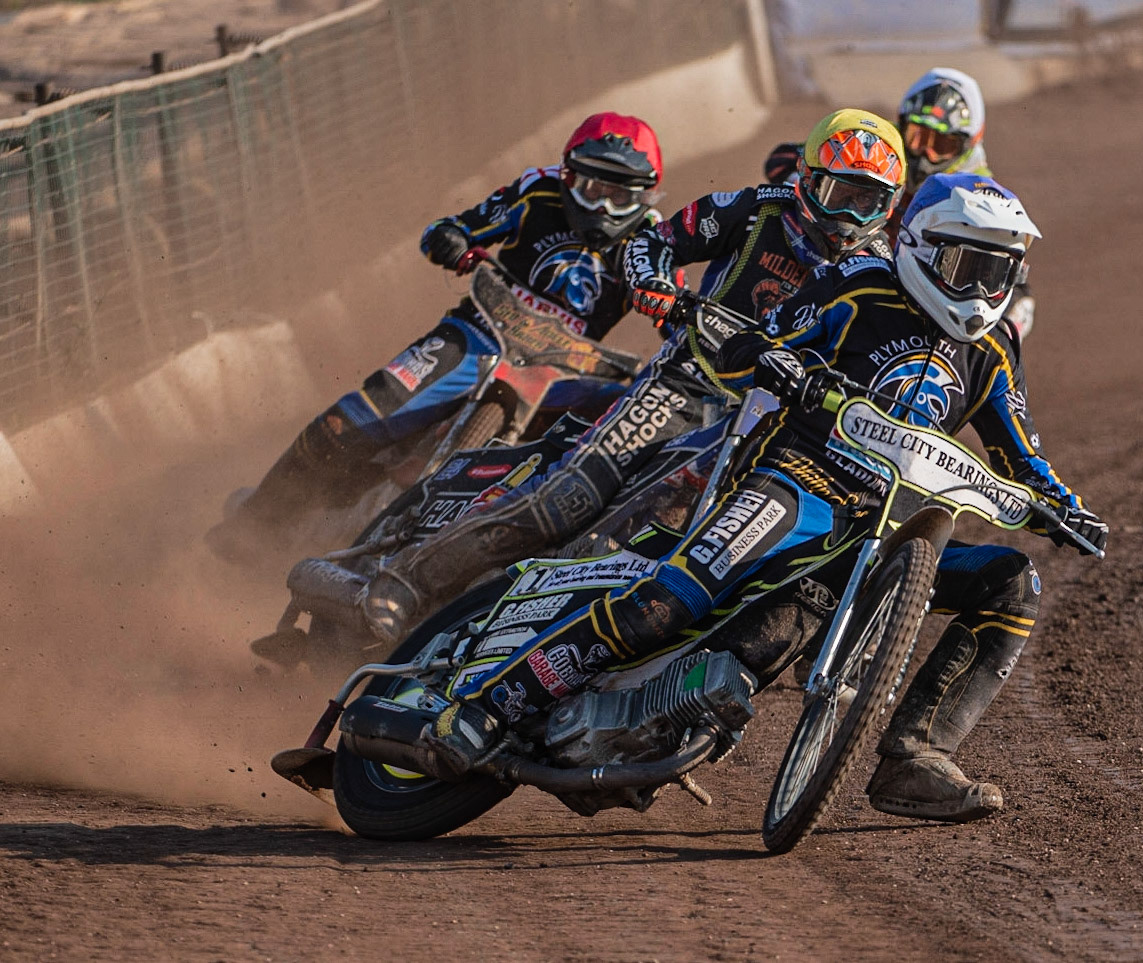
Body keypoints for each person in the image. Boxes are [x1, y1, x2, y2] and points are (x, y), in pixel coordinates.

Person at [410, 171, 1107, 823]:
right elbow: (755, 341)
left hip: (876, 536)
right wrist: (778, 357)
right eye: (971, 267)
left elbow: (1023, 455)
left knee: (1012, 584)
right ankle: (490, 703)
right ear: (922, 249)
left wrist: (1064, 507)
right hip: (791, 483)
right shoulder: (854, 285)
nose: (984, 289)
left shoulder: (988, 355)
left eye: (1000, 272)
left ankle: (915, 756)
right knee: (669, 604)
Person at [356, 108, 909, 644]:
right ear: (808, 180)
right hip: (688, 384)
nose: (849, 219)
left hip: (778, 428)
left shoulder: (884, 275)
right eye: (841, 196)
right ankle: (406, 579)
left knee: (703, 556)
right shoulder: (755, 208)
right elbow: (654, 241)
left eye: (869, 202)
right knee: (569, 500)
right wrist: (659, 290)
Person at [205, 112, 665, 563]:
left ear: (644, 197)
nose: (602, 207)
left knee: (619, 447)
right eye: (591, 189)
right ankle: (255, 525)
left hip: (567, 371)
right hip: (480, 334)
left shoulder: (655, 242)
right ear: (568, 176)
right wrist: (453, 242)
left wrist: (686, 333)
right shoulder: (537, 192)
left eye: (618, 196)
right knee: (349, 421)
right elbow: (450, 228)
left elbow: (678, 316)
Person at [763, 67, 1037, 338]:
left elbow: (1003, 270)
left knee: (1014, 304)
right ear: (902, 125)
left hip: (924, 300)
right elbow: (783, 159)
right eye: (918, 138)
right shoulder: (881, 151)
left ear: (968, 146)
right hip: (841, 264)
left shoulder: (981, 195)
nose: (925, 156)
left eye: (941, 145)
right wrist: (820, 185)